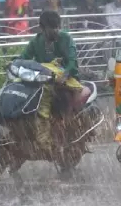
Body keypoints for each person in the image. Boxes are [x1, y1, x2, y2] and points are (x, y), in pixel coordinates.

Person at [19, 11, 82, 148]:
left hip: (66, 82)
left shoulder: (66, 38)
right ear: (42, 28)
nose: (55, 31)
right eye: (51, 28)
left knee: (62, 100)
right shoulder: (36, 41)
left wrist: (63, 76)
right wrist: (13, 63)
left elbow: (72, 62)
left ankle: (64, 137)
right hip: (42, 82)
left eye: (57, 27)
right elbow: (23, 57)